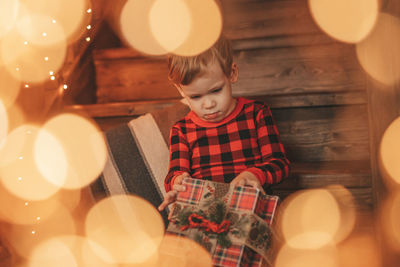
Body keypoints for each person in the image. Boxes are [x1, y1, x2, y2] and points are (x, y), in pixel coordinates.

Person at [158, 36, 290, 211]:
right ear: (180, 90)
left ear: (232, 73)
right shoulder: (181, 130)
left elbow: (280, 164)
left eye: (216, 90)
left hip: (250, 211)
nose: (208, 104)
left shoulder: (256, 113)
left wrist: (253, 174)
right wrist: (177, 183)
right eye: (195, 97)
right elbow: (173, 176)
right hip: (204, 213)